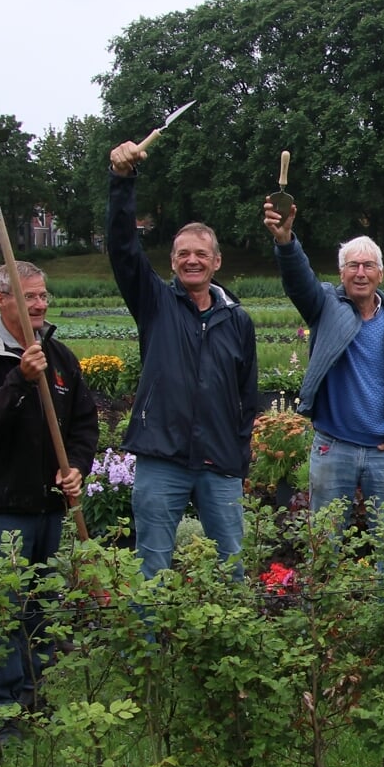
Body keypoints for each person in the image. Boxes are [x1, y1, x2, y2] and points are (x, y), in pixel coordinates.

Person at [0, 262, 98, 726]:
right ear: (2, 299)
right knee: (4, 612)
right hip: (0, 510)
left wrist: (75, 468)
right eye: (28, 296)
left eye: (42, 295)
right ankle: (5, 712)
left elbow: (83, 424)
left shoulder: (61, 357)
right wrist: (18, 380)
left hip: (49, 508)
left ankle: (39, 701)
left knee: (44, 609)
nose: (40, 304)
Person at [107, 140, 260, 578]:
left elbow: (247, 395)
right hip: (163, 457)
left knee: (231, 564)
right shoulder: (154, 303)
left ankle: (231, 645)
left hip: (219, 462)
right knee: (152, 564)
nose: (191, 260)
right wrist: (123, 181)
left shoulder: (237, 320)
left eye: (200, 254)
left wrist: (238, 452)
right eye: (182, 254)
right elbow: (122, 248)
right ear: (172, 262)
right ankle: (150, 645)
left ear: (216, 261)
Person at [265, 198, 384, 525]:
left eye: (368, 265)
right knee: (325, 545)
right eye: (352, 266)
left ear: (380, 274)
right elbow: (299, 281)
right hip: (334, 448)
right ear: (341, 273)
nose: (360, 273)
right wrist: (285, 241)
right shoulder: (325, 308)